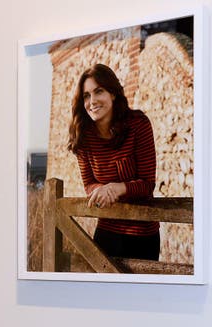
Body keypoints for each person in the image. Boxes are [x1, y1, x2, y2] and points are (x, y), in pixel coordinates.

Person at [68, 63, 160, 261]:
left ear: (113, 94)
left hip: (143, 234)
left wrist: (117, 188)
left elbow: (147, 184)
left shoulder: (138, 125)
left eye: (98, 91)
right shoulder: (83, 135)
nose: (91, 101)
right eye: (86, 95)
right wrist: (102, 189)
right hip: (107, 232)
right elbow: (89, 184)